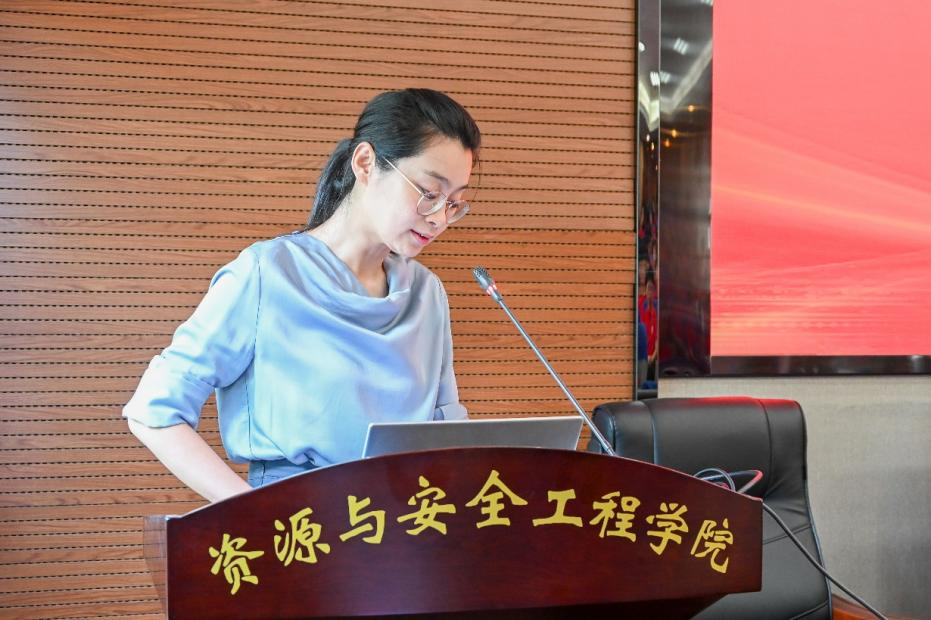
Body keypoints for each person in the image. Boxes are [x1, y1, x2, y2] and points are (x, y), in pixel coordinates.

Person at [123, 89, 481, 502]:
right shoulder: (268, 274)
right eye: (429, 193)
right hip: (296, 525)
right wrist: (250, 512)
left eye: (454, 203)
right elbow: (154, 411)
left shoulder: (425, 292)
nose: (439, 219)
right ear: (366, 163)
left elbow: (447, 435)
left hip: (406, 524)